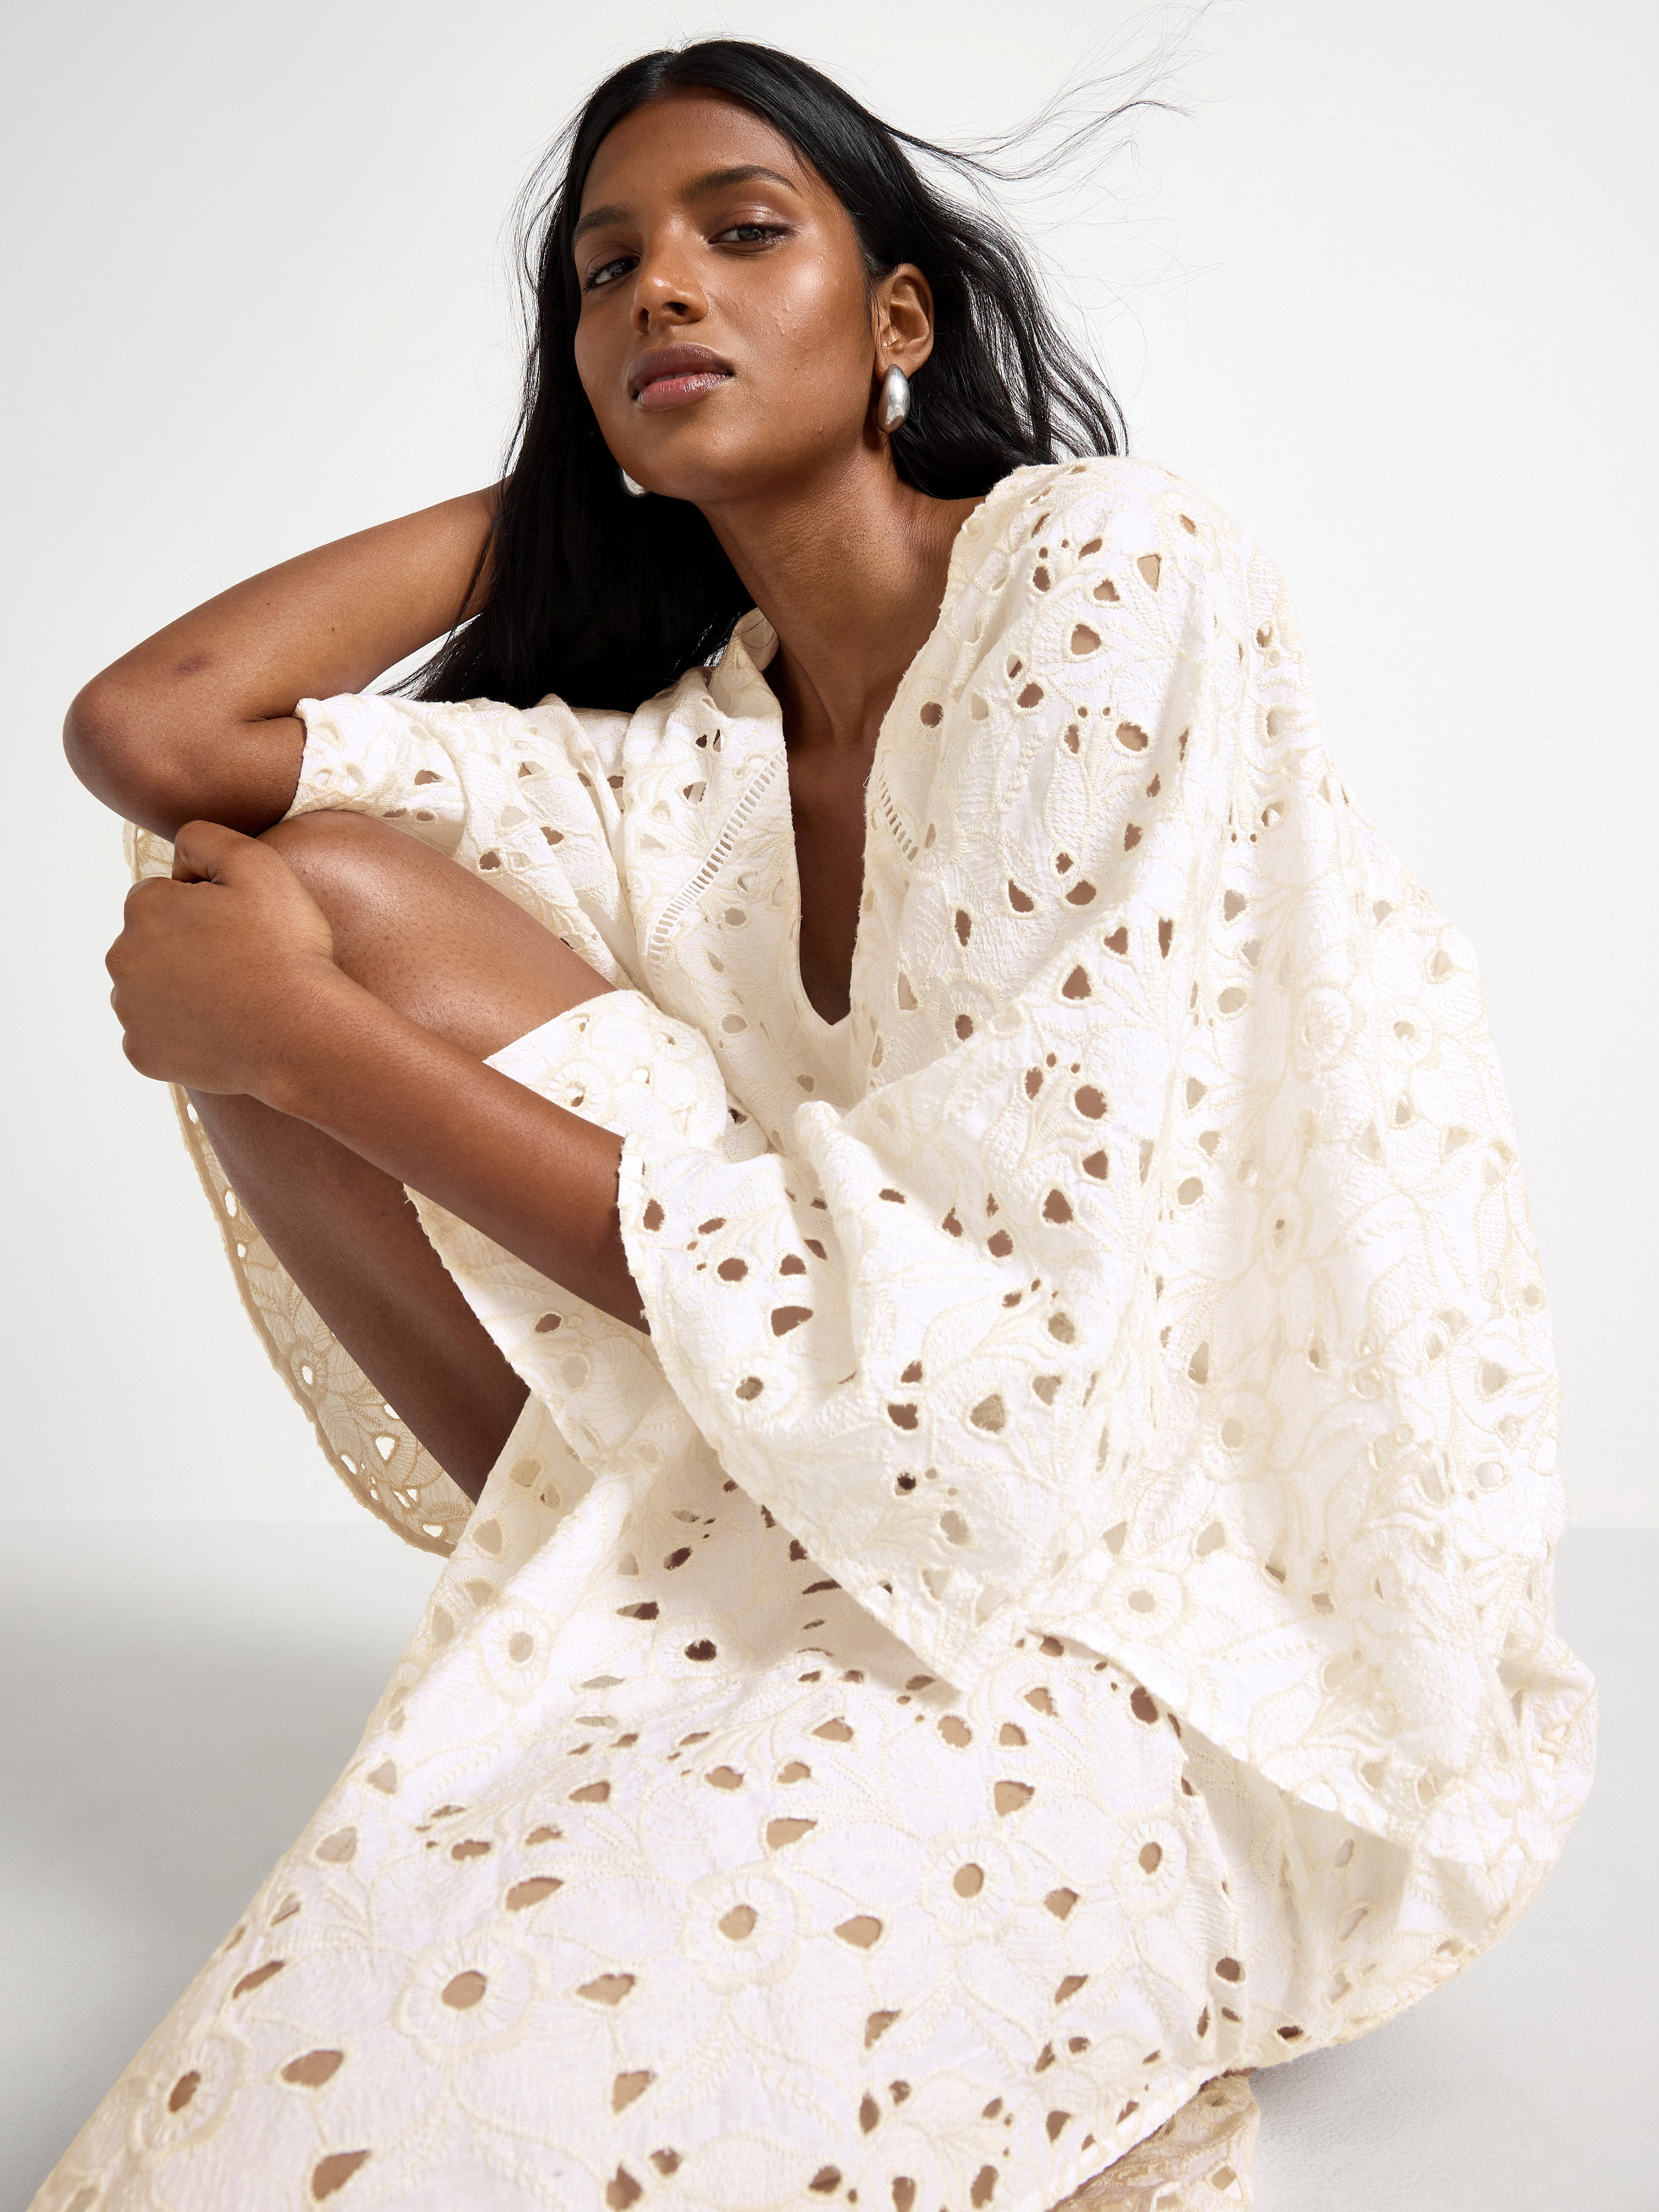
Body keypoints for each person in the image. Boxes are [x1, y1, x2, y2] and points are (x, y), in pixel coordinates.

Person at [43, 39, 1593, 2212]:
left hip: (1146, 1638)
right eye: (603, 276)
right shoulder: (678, 764)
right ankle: (624, 1619)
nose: (659, 290)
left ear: (900, 319)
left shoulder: (1103, 575)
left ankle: (1004, 1903)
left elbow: (989, 1398)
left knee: (466, 2107)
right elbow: (157, 733)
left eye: (740, 234)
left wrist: (313, 1056)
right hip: (804, 1536)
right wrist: (598, 472)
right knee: (272, 888)